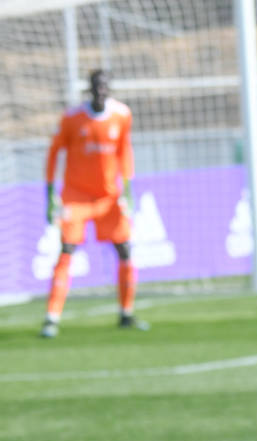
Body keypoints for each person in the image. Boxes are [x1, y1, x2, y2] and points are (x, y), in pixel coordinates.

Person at [39, 70, 145, 339]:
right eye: (96, 86)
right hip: (76, 196)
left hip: (108, 196)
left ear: (110, 89)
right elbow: (53, 153)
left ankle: (126, 313)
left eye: (105, 86)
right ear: (89, 88)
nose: (100, 91)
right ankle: (51, 317)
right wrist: (50, 193)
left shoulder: (122, 114)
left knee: (125, 249)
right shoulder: (72, 118)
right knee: (67, 250)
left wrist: (128, 190)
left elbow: (125, 151)